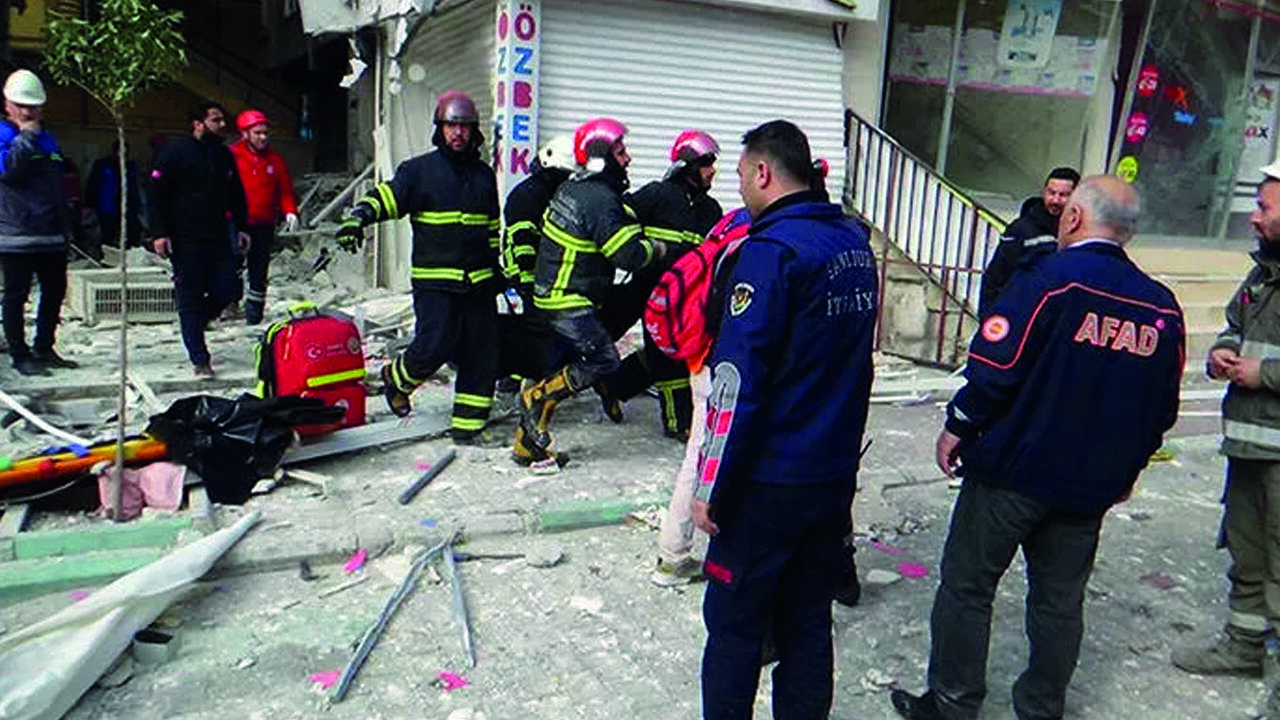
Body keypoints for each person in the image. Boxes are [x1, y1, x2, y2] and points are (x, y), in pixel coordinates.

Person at [890, 176, 1185, 720]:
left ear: (1072, 218)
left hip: (1013, 473)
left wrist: (959, 424)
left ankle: (954, 704)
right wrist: (1123, 472)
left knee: (968, 586)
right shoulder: (1161, 308)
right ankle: (1041, 707)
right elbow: (1161, 410)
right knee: (1058, 601)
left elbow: (996, 369)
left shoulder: (1050, 280)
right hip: (1088, 487)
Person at [694, 120, 876, 719]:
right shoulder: (852, 245)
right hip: (828, 478)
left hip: (767, 484)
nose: (740, 187)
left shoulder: (770, 252)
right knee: (806, 622)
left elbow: (736, 384)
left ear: (764, 173)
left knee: (735, 627)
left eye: (743, 175)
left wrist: (710, 487)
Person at [335, 90, 501, 443]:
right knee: (434, 344)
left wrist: (498, 270)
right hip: (436, 283)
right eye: (451, 126)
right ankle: (397, 378)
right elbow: (386, 198)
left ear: (474, 131)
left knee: (481, 353)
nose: (458, 133)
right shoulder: (419, 171)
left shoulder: (485, 175)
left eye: (464, 127)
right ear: (439, 128)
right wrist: (357, 218)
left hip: (479, 284)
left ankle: (468, 427)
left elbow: (491, 229)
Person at [1171, 160, 1280, 694]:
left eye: (1264, 207)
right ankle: (1243, 649)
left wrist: (1268, 374)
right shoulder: (1264, 273)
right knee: (1247, 555)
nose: (1253, 218)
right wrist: (1223, 352)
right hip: (1250, 446)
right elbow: (1235, 326)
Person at [513, 117, 666, 465]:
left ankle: (528, 443)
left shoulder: (574, 188)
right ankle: (536, 395)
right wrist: (658, 249)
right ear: (601, 156)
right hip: (569, 299)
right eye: (621, 152)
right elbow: (626, 254)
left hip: (554, 294)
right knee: (603, 359)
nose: (628, 159)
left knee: (569, 364)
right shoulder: (598, 197)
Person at [596, 130, 724, 440]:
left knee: (667, 354)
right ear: (689, 165)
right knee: (667, 357)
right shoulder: (656, 194)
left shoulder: (711, 211)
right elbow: (614, 217)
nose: (712, 171)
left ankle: (612, 384)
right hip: (646, 290)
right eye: (707, 164)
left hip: (683, 299)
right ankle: (678, 423)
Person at [148, 101, 250, 378]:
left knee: (226, 291)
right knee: (190, 298)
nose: (222, 125)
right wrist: (159, 233)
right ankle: (200, 357)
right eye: (215, 120)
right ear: (198, 124)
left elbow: (235, 193)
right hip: (184, 239)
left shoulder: (223, 156)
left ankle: (195, 322)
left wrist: (242, 227)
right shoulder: (174, 153)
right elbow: (156, 195)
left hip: (217, 236)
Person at [0, 69, 77, 376]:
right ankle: (19, 354)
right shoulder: (4, 136)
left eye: (33, 105)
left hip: (52, 233)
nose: (27, 111)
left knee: (55, 291)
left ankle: (44, 347)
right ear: (7, 104)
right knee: (16, 295)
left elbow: (59, 184)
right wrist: (27, 135)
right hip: (16, 234)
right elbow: (9, 171)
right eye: (20, 104)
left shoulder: (49, 139)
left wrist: (68, 227)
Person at [499, 133, 576, 383]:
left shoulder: (552, 194)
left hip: (543, 277)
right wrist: (530, 283)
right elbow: (523, 244)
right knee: (530, 328)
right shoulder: (528, 196)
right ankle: (514, 375)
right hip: (524, 276)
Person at [977, 167, 1080, 317]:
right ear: (1044, 191)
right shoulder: (1021, 229)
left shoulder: (1082, 232)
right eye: (1051, 193)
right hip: (1022, 314)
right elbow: (996, 277)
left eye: (1063, 195)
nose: (1055, 200)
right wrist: (989, 319)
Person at [229, 109, 299, 325]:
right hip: (236, 222)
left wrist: (290, 211)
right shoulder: (231, 157)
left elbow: (285, 191)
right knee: (232, 265)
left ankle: (254, 313)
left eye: (265, 133)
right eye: (257, 133)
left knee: (259, 269)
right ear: (244, 134)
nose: (263, 137)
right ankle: (229, 305)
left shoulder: (275, 161)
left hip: (264, 223)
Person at [84, 140, 142, 252]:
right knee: (107, 233)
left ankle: (128, 255)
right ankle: (105, 255)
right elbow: (93, 183)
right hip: (107, 205)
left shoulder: (130, 167)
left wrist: (137, 205)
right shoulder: (102, 165)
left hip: (127, 206)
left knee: (131, 232)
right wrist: (89, 203)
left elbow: (134, 187)